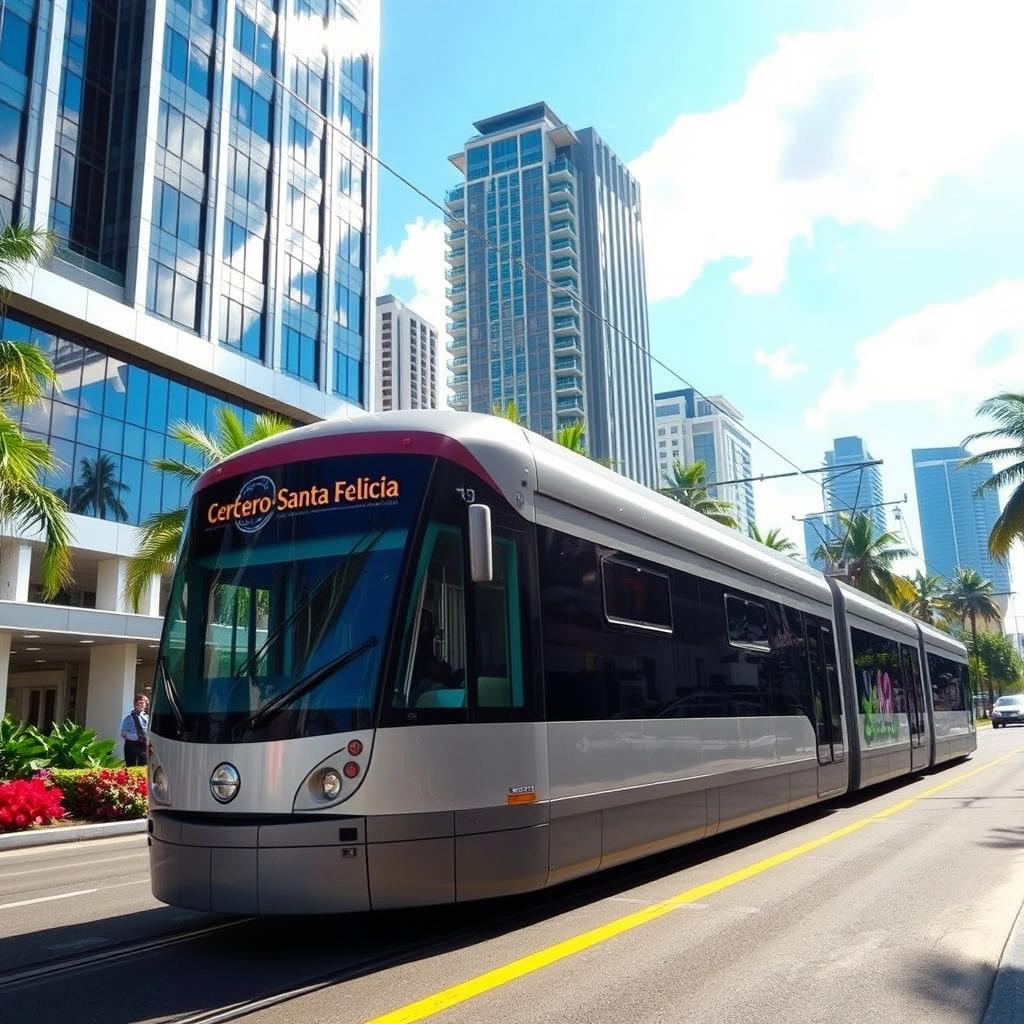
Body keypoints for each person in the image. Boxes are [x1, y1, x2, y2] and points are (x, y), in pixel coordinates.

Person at [120, 694, 149, 766]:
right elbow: (123, 733)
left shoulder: (147, 718)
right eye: (137, 703)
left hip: (144, 745)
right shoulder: (128, 718)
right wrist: (136, 737)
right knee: (131, 766)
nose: (139, 705)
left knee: (143, 766)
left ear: (145, 705)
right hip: (131, 745)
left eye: (142, 703)